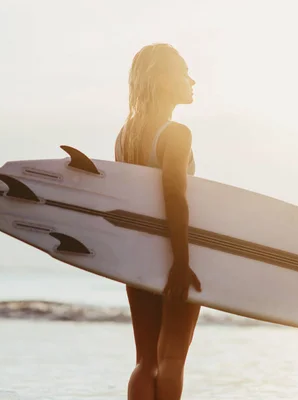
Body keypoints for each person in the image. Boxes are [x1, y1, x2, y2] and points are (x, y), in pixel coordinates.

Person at [114, 43, 202, 400]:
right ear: (164, 80)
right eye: (184, 72)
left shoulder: (126, 135)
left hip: (136, 256)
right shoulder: (175, 133)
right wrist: (181, 262)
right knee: (172, 359)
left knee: (145, 359)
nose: (192, 80)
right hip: (172, 253)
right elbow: (174, 197)